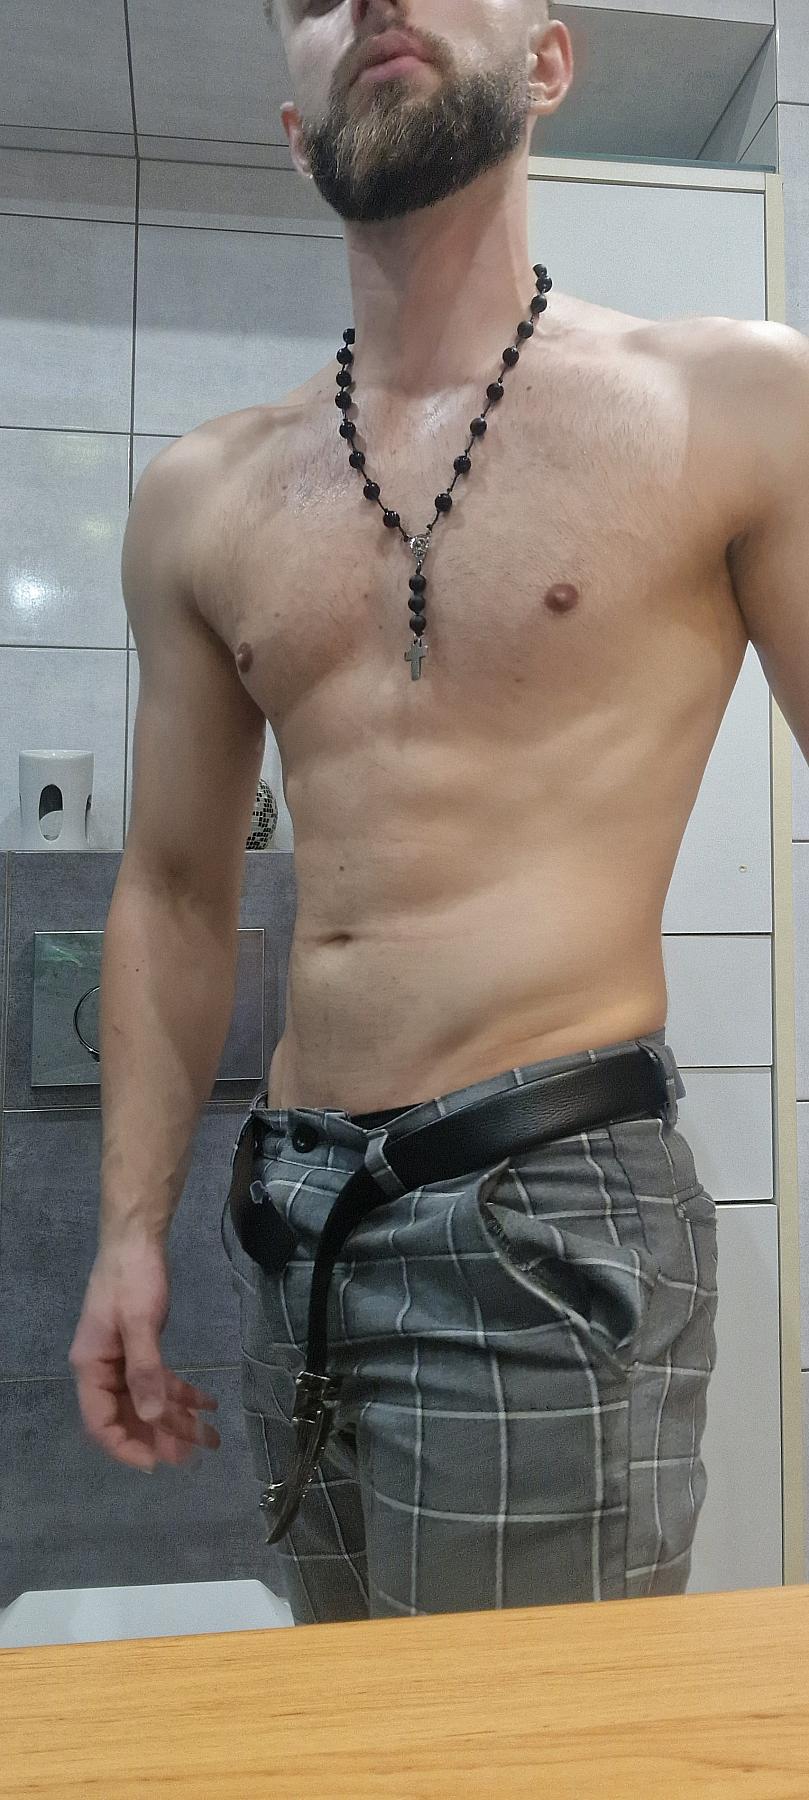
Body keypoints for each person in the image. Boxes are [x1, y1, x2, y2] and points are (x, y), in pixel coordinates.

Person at [74, 0, 799, 1622]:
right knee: (355, 1725)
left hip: (545, 1209)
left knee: (516, 1744)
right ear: (294, 131)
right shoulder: (202, 495)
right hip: (292, 1219)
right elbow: (174, 891)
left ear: (548, 62)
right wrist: (130, 1233)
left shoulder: (736, 406)